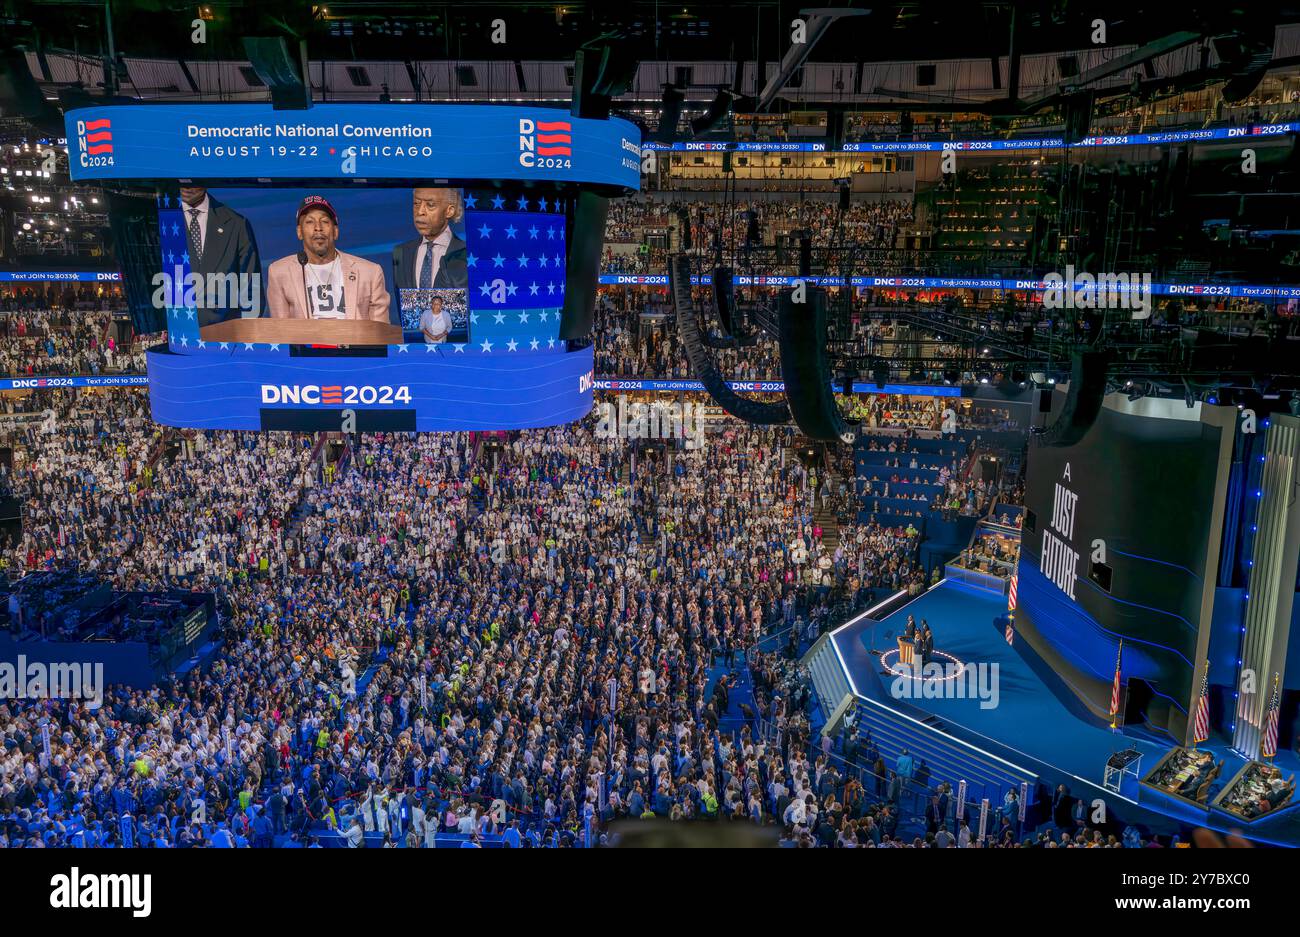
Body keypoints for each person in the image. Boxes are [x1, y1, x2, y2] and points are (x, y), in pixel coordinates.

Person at [265, 196, 392, 324]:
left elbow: (380, 332)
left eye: (325, 221)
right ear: (299, 232)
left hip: (354, 343)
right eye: (309, 222)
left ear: (336, 231)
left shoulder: (370, 272)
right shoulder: (279, 272)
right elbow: (281, 332)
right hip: (305, 343)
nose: (318, 227)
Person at [178, 185, 263, 325]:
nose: (187, 185)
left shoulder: (236, 224)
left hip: (225, 337)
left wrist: (243, 338)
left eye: (193, 177)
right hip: (176, 334)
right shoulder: (159, 219)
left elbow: (251, 291)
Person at [392, 188, 469, 290]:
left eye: (430, 205)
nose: (420, 212)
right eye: (416, 203)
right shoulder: (401, 252)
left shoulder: (467, 253)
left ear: (449, 211)